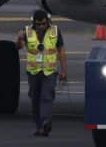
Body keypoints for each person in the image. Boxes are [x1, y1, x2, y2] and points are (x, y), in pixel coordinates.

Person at [16, 9, 68, 137]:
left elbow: (61, 51)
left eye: (43, 24)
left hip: (49, 72)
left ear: (48, 22)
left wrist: (64, 70)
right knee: (35, 98)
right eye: (38, 24)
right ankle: (39, 126)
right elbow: (18, 47)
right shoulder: (27, 31)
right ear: (34, 23)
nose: (41, 26)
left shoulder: (55, 31)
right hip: (33, 72)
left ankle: (46, 122)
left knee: (47, 97)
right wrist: (19, 38)